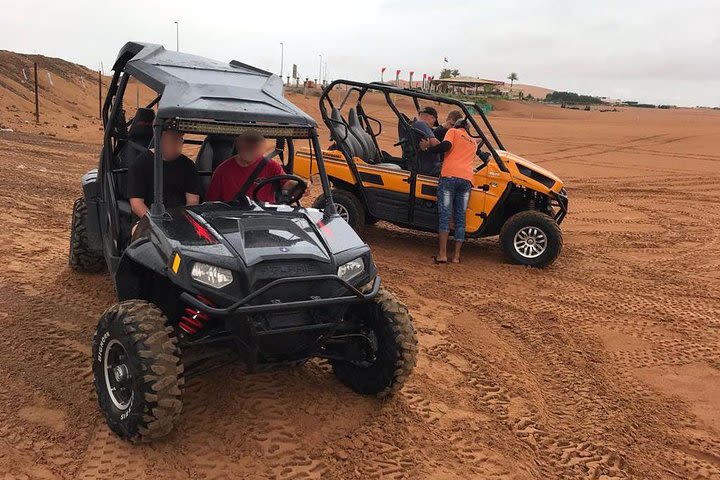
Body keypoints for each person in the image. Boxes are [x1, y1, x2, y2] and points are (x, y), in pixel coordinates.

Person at [127, 129, 200, 227]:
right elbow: (136, 204)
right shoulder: (140, 164)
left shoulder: (188, 165)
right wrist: (155, 224)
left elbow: (192, 201)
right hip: (147, 219)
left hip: (180, 220)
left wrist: (183, 221)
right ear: (159, 141)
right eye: (172, 141)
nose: (177, 146)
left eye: (180, 140)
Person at [429, 118, 477, 264]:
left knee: (445, 214)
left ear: (456, 125)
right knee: (460, 218)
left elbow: (446, 146)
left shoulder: (453, 132)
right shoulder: (473, 142)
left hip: (449, 176)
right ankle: (456, 256)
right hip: (467, 180)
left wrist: (428, 148)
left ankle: (442, 255)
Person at [205, 133, 286, 203]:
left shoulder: (272, 166)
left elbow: (288, 184)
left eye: (254, 145)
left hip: (266, 215)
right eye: (246, 144)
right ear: (238, 145)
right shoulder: (222, 170)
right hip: (234, 216)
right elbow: (212, 202)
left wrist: (294, 187)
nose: (249, 148)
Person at [412, 106, 443, 176]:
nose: (433, 124)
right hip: (430, 167)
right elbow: (436, 144)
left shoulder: (416, 125)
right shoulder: (421, 124)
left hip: (425, 165)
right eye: (434, 122)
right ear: (432, 118)